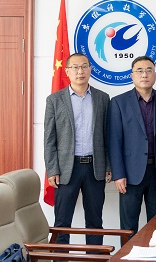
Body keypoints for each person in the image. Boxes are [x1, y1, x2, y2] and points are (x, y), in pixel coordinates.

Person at [43, 52, 111, 245]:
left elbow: (108, 135)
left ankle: (95, 257)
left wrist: (108, 165)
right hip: (66, 169)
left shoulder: (102, 98)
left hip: (94, 168)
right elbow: (49, 138)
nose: (80, 71)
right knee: (62, 223)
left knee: (95, 222)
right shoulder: (54, 100)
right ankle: (60, 258)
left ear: (90, 69)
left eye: (84, 66)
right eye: (75, 67)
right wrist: (52, 169)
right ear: (67, 71)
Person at [108, 56, 156, 237]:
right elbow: (114, 140)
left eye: (149, 70)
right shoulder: (118, 102)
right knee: (128, 226)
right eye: (139, 71)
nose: (144, 75)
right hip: (130, 174)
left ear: (155, 74)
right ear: (131, 75)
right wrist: (118, 174)